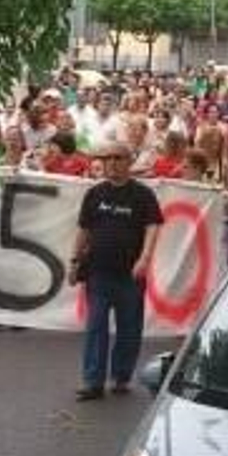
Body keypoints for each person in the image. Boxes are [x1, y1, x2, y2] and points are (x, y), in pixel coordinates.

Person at [68, 143, 162, 401]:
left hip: (130, 275)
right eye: (106, 159)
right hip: (98, 272)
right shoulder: (94, 194)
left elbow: (153, 227)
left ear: (129, 161)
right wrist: (75, 262)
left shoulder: (143, 195)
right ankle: (92, 381)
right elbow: (84, 230)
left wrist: (145, 258)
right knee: (95, 326)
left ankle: (121, 376)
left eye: (117, 158)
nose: (111, 163)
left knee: (128, 328)